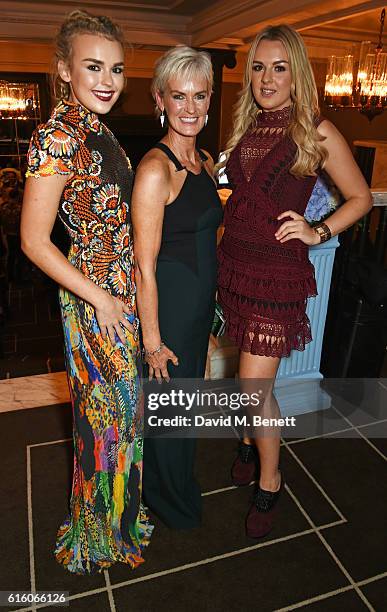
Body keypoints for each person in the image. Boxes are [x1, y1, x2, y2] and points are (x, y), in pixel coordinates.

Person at [216, 24, 372, 539]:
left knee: (254, 385)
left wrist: (317, 229)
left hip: (277, 275)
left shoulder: (316, 131)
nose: (267, 78)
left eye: (279, 67)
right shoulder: (246, 127)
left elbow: (361, 198)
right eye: (258, 67)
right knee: (245, 374)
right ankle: (246, 440)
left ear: (297, 73)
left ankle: (271, 478)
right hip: (236, 266)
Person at [21, 10, 152, 574]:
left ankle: (116, 519)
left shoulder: (96, 128)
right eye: (93, 67)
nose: (108, 80)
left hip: (118, 293)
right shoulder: (57, 134)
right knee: (104, 419)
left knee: (120, 417)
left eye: (117, 69)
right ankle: (98, 534)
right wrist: (98, 297)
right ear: (63, 70)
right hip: (94, 299)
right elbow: (32, 240)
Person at [132, 46, 223, 529]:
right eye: (178, 96)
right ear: (160, 100)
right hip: (167, 311)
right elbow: (143, 266)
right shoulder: (154, 169)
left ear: (209, 102)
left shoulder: (204, 160)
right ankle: (166, 499)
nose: (190, 108)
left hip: (197, 307)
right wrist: (152, 343)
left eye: (199, 96)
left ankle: (176, 483)